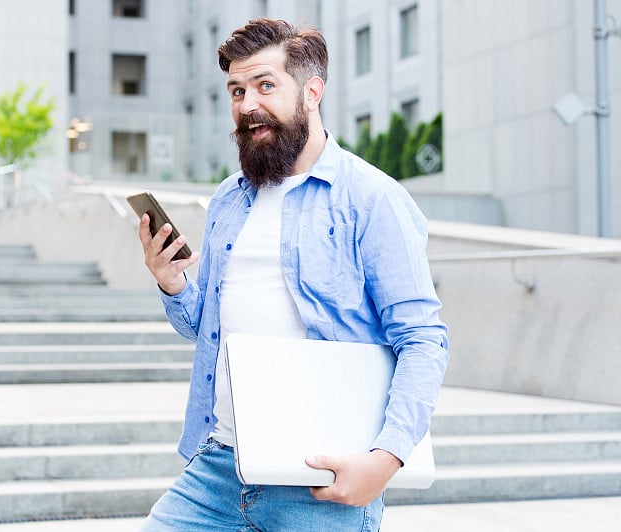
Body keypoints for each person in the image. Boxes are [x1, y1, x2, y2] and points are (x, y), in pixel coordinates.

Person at [136, 17, 448, 531]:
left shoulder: (372, 199)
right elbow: (203, 326)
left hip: (321, 477)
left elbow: (423, 339)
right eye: (236, 90)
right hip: (219, 466)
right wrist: (173, 283)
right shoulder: (228, 200)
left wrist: (385, 460)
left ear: (311, 92)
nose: (247, 105)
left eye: (265, 85)